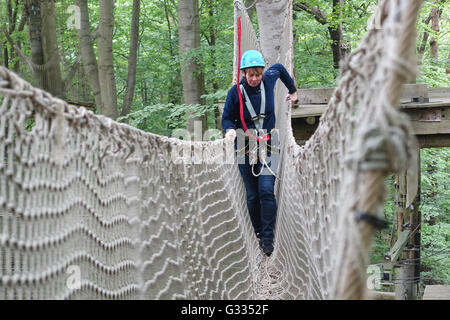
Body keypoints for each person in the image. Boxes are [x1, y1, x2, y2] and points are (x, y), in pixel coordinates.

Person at [222, 50, 297, 256]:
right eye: (250, 75)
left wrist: (293, 90)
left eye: (258, 74)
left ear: (263, 72)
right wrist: (229, 130)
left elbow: (281, 69)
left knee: (266, 189)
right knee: (253, 195)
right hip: (244, 144)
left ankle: (267, 237)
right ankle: (256, 230)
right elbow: (227, 118)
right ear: (244, 73)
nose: (254, 79)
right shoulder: (234, 92)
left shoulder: (270, 78)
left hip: (269, 140)